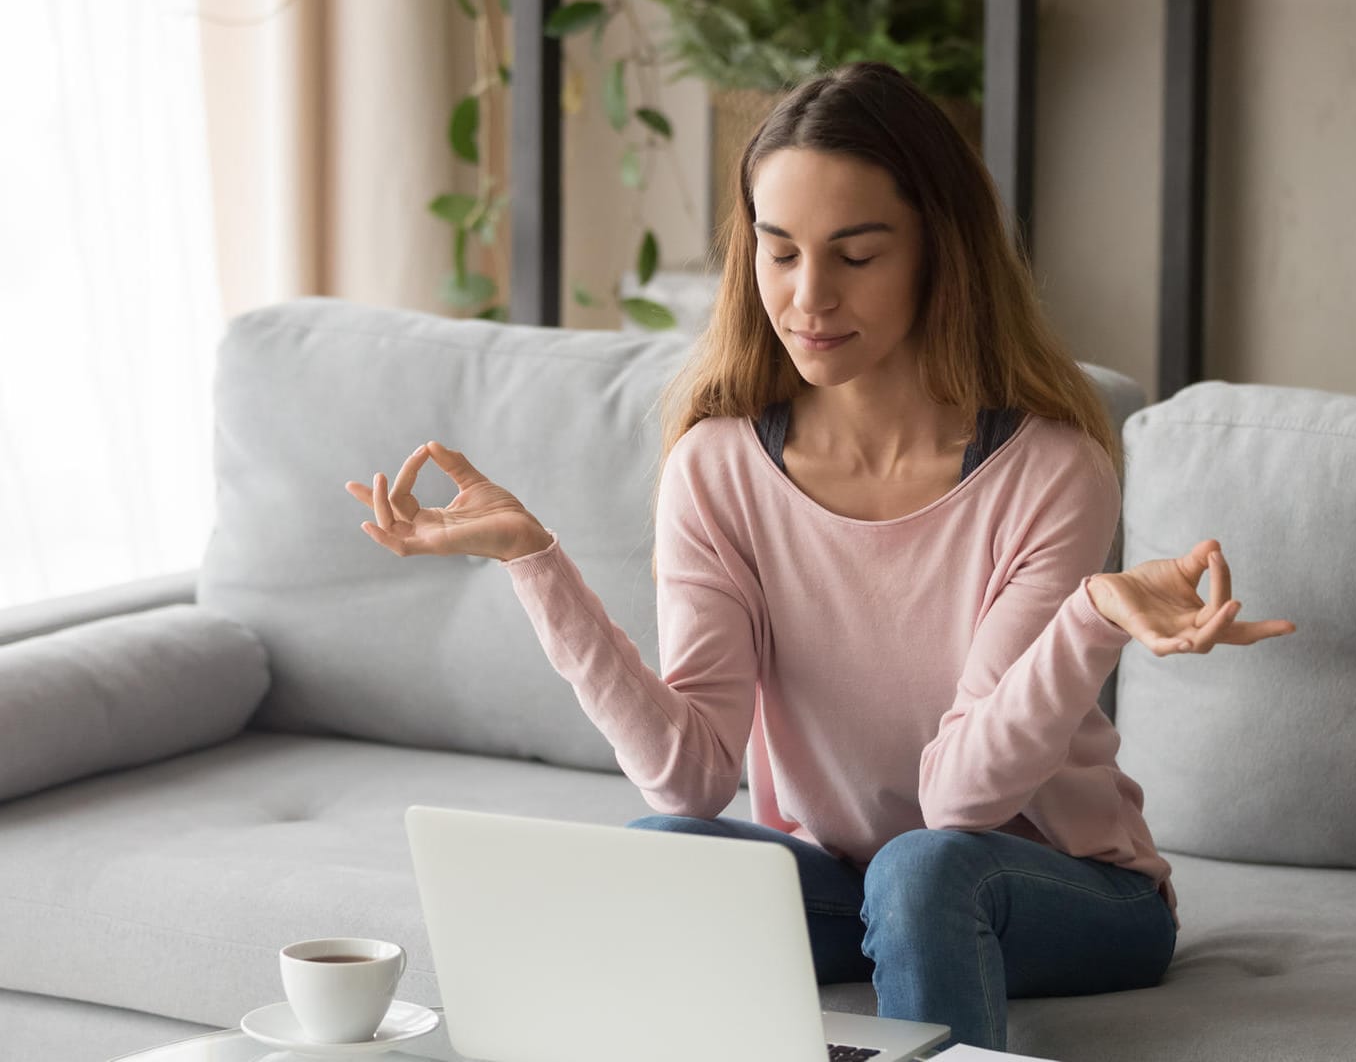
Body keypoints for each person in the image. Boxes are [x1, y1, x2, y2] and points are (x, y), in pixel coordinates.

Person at [346, 61, 1297, 1053]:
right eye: (781, 251)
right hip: (849, 883)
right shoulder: (717, 465)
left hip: (1069, 894)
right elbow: (688, 780)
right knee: (663, 854)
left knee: (926, 868)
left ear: (939, 252)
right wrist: (533, 559)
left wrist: (1095, 613)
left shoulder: (1049, 472)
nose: (808, 297)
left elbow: (962, 801)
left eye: (856, 254)